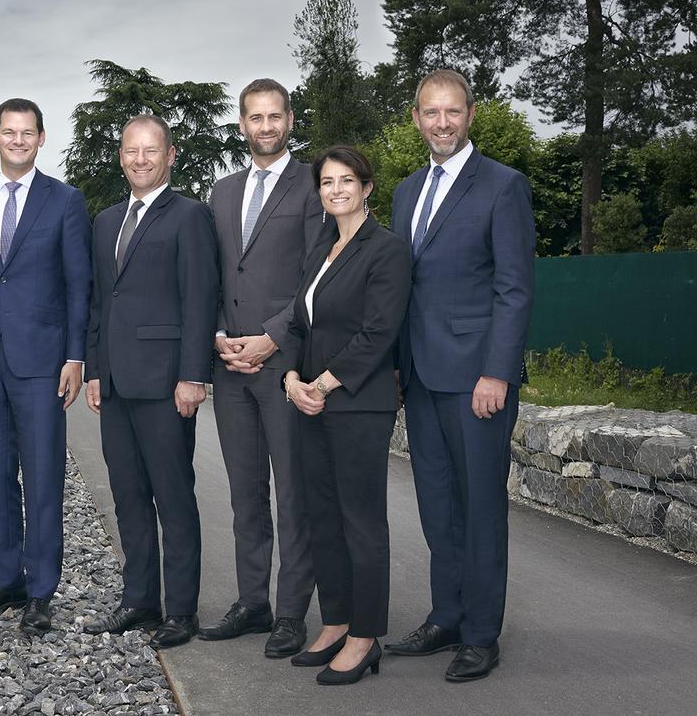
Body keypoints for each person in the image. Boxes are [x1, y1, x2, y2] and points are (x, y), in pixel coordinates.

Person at [386, 69, 535, 683]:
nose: (441, 122)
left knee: (479, 509)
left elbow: (514, 289)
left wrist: (496, 372)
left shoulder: (502, 186)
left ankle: (480, 634)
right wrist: (396, 369)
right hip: (420, 378)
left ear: (470, 115)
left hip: (477, 382)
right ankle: (446, 615)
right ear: (416, 118)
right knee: (436, 506)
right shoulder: (404, 191)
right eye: (430, 112)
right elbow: (402, 288)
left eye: (452, 111)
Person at [0, 99, 92, 634]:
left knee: (41, 477)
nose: (17, 141)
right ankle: (5, 579)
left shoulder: (65, 201)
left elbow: (78, 284)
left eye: (27, 133)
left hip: (42, 362)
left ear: (41, 138)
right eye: (8, 132)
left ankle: (40, 590)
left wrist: (75, 355)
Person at [83, 115, 219, 650]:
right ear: (121, 156)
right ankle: (140, 600)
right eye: (131, 150)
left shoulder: (190, 216)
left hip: (166, 385)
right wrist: (96, 370)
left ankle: (180, 612)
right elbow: (100, 301)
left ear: (170, 155)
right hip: (115, 384)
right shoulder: (106, 221)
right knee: (128, 496)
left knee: (173, 498)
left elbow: (199, 299)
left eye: (151, 151)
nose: (140, 159)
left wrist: (192, 377)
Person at [280, 146, 411, 685]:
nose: (336, 189)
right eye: (327, 182)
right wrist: (291, 380)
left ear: (367, 187)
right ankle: (335, 621)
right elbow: (295, 326)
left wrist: (324, 383)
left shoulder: (387, 250)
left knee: (360, 522)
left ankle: (365, 635)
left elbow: (379, 332)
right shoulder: (320, 249)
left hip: (358, 403)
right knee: (323, 519)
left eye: (346, 180)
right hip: (310, 401)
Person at [201, 78, 323, 656]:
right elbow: (215, 276)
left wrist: (271, 339)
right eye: (256, 118)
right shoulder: (221, 192)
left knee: (293, 493)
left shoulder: (313, 186)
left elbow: (316, 275)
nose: (266, 127)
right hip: (231, 371)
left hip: (285, 365)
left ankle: (292, 613)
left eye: (275, 116)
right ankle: (254, 602)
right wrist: (221, 337)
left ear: (290, 120)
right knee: (245, 493)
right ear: (242, 123)